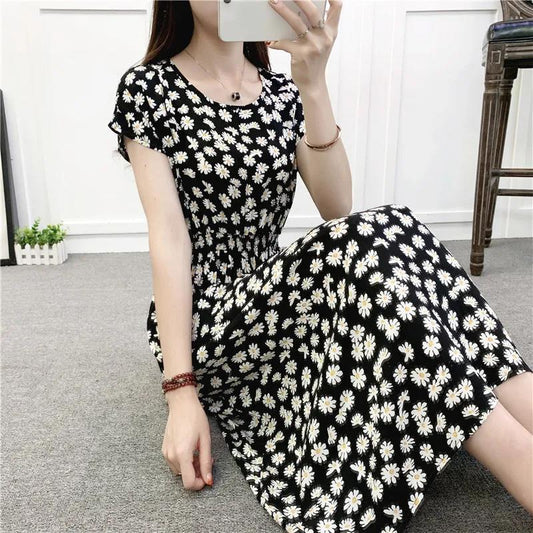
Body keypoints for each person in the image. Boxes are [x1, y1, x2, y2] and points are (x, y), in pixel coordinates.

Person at [107, 1, 533, 531]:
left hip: (277, 302)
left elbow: (338, 207)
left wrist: (312, 81)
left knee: (392, 227)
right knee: (361, 247)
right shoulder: (149, 89)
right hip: (211, 320)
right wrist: (181, 390)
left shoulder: (279, 93)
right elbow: (169, 241)